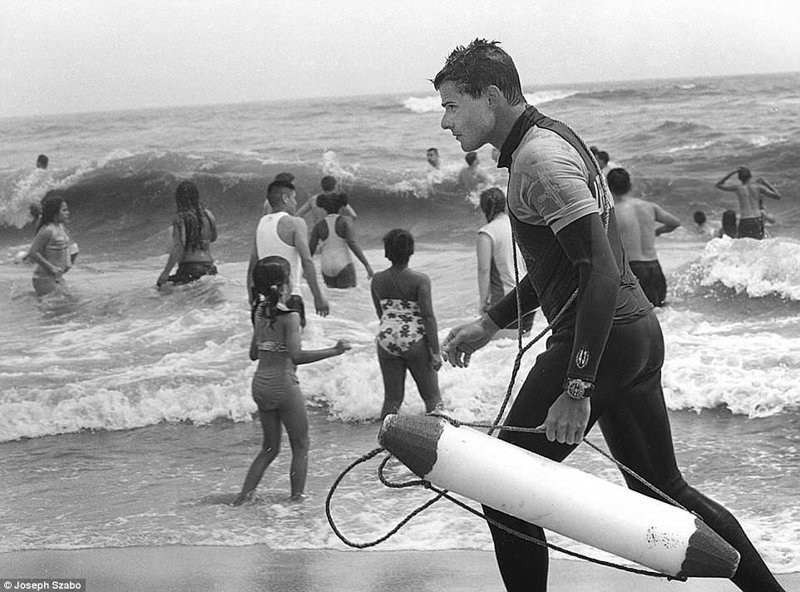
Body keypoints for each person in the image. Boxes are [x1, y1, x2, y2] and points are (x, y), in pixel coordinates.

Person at [433, 39, 784, 592]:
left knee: (502, 490)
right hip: (633, 332)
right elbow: (571, 263)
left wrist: (577, 383)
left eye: (453, 105)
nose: (445, 122)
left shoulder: (539, 161)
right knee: (663, 489)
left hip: (601, 341)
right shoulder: (553, 139)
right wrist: (491, 322)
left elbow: (595, 271)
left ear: (493, 97)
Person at [233, 256, 351, 505]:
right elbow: (296, 355)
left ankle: (242, 498)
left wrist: (270, 343)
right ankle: (297, 500)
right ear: (285, 286)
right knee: (301, 445)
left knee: (269, 449)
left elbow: (254, 354)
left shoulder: (258, 312)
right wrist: (334, 350)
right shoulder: (291, 317)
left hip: (260, 385)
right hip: (284, 385)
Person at [371, 229, 442, 419]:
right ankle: (437, 439)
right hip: (414, 339)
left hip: (386, 338)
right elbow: (427, 317)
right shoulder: (420, 280)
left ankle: (383, 443)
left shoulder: (377, 280)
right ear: (411, 251)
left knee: (392, 400)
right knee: (432, 397)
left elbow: (381, 313)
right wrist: (435, 352)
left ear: (387, 252)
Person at [248, 179, 329, 326]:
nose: (296, 203)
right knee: (293, 345)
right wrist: (318, 296)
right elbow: (307, 261)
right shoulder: (296, 223)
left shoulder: (261, 223)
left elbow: (253, 265)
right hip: (290, 296)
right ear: (285, 198)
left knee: (267, 345)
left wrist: (251, 296)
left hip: (264, 299)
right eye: (294, 198)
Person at [607, 168, 680, 307]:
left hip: (635, 270)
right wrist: (658, 231)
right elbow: (675, 223)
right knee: (662, 313)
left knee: (642, 317)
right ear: (629, 185)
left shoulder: (613, 212)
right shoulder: (649, 206)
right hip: (655, 267)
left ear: (608, 186)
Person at [477, 187, 533, 332]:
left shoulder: (487, 233)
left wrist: (483, 303)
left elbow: (483, 270)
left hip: (505, 303)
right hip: (529, 297)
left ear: (484, 208)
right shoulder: (518, 224)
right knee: (514, 348)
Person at [156, 181, 218, 287]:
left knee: (161, 290)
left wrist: (165, 273)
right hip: (209, 268)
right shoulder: (208, 215)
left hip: (190, 269)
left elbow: (178, 248)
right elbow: (213, 237)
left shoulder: (180, 218)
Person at [308, 193, 373, 289]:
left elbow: (310, 250)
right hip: (343, 264)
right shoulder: (345, 221)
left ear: (325, 208)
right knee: (349, 299)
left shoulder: (319, 225)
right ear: (341, 207)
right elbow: (352, 243)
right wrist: (366, 265)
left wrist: (304, 269)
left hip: (326, 267)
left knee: (334, 299)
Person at [25, 194, 72, 296]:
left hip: (57, 277)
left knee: (69, 300)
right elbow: (33, 252)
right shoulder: (47, 230)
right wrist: (52, 268)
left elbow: (67, 245)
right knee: (64, 304)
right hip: (43, 278)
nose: (67, 213)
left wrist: (68, 261)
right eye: (64, 210)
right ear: (55, 213)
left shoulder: (60, 227)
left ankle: (32, 299)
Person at [715, 166, 781, 239]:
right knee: (759, 242)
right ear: (750, 177)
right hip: (757, 219)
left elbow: (718, 185)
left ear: (739, 178)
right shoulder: (758, 187)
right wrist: (765, 183)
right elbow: (777, 196)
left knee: (742, 244)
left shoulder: (738, 188)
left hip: (745, 219)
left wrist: (731, 173)